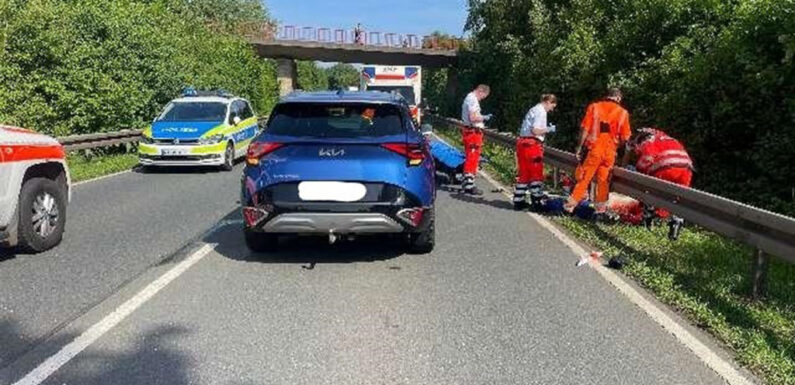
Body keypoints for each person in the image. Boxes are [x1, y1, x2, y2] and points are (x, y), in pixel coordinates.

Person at [564, 88, 631, 218]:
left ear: (607, 96)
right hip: (610, 152)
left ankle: (569, 206)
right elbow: (625, 138)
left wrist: (579, 147)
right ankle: (600, 211)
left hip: (594, 150)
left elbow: (585, 129)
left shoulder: (594, 107)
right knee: (603, 181)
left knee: (584, 178)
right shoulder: (623, 113)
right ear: (618, 98)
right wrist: (616, 146)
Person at [623, 127, 693, 240]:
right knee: (679, 199)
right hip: (686, 168)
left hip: (666, 167)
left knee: (648, 188)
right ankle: (676, 225)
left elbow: (646, 161)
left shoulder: (646, 142)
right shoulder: (668, 139)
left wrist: (638, 169)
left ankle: (647, 220)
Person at [513, 94, 558, 210]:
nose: (552, 109)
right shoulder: (541, 111)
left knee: (524, 173)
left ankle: (518, 201)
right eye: (552, 106)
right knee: (536, 173)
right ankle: (537, 202)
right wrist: (548, 129)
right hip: (532, 145)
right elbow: (535, 130)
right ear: (548, 102)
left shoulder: (533, 109)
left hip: (522, 143)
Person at [460, 84, 492, 195]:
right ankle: (469, 186)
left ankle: (466, 182)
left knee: (471, 156)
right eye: (483, 97)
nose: (482, 99)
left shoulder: (469, 97)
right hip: (473, 132)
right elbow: (473, 117)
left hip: (469, 131)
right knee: (472, 158)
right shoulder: (473, 99)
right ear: (481, 91)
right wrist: (484, 117)